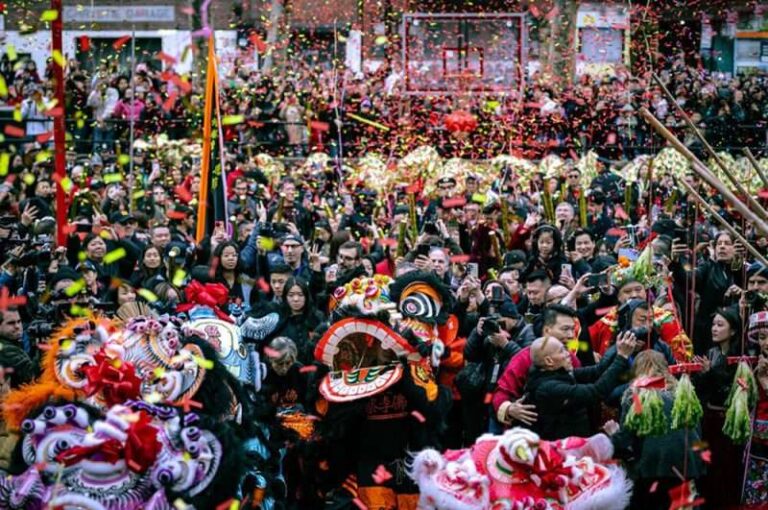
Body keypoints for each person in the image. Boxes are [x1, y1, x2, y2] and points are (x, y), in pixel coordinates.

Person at [608, 350, 706, 510]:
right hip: (688, 463)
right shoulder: (683, 393)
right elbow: (697, 431)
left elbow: (626, 438)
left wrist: (611, 435)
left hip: (653, 466)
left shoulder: (635, 394)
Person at [523, 330, 633, 440]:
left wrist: (617, 349)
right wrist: (622, 357)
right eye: (562, 351)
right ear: (549, 361)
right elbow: (595, 392)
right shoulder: (548, 388)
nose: (568, 354)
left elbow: (597, 371)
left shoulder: (558, 371)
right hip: (561, 448)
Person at [0, 308, 35, 389]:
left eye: (19, 321)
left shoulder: (12, 343)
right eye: (11, 323)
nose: (17, 326)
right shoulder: (6, 349)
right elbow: (32, 376)